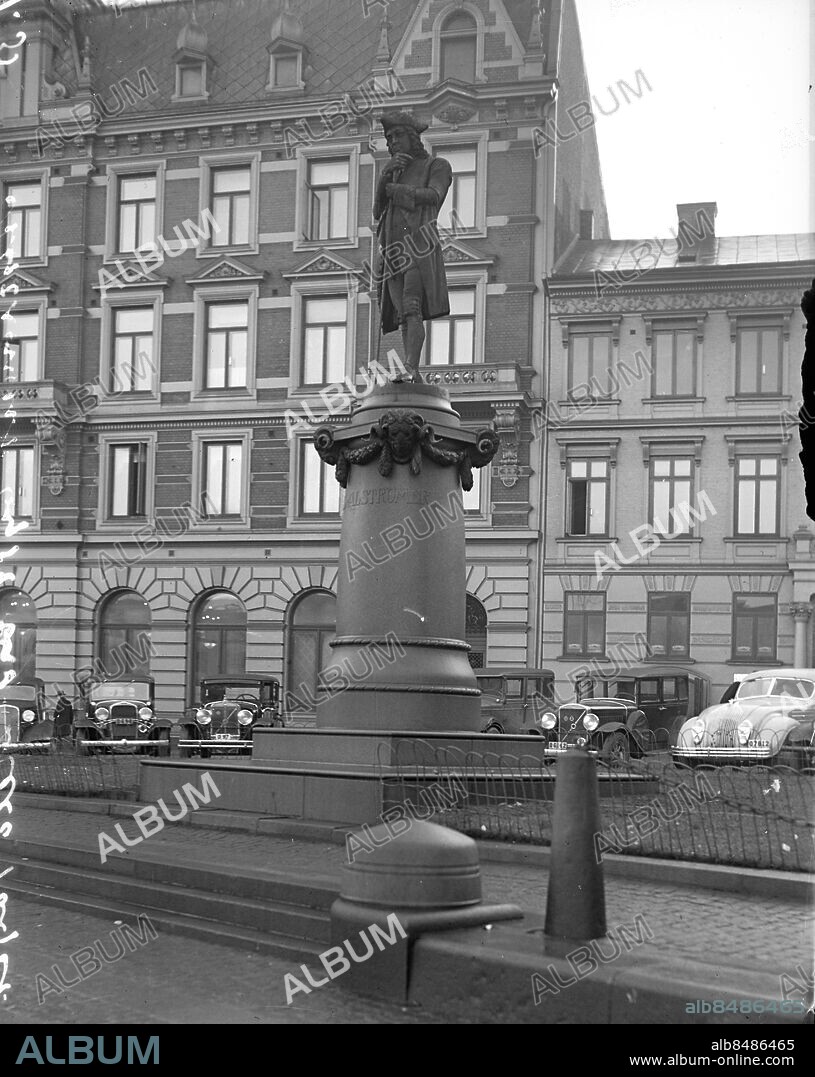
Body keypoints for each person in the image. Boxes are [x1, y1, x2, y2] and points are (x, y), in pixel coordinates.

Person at [373, 111, 453, 381]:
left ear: (412, 137)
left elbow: (434, 196)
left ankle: (410, 367)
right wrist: (385, 177)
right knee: (403, 316)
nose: (392, 141)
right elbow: (377, 212)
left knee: (411, 306)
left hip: (417, 247)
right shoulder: (393, 172)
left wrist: (398, 191)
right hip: (392, 252)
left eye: (397, 135)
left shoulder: (436, 165)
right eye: (388, 138)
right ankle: (410, 368)